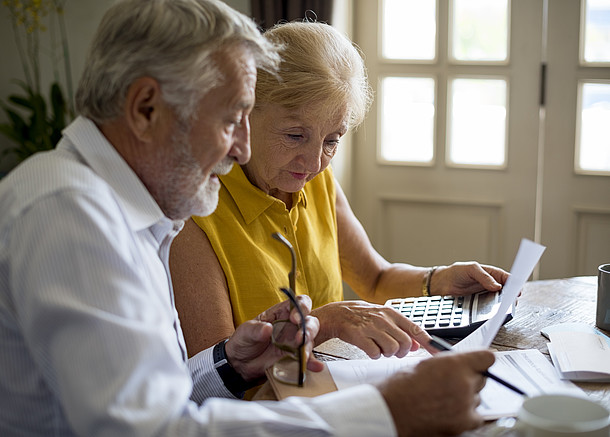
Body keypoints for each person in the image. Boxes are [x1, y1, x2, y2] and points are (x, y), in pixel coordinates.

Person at [0, 1, 495, 436]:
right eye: (230, 119)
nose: (240, 148)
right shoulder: (69, 215)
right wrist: (387, 413)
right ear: (146, 108)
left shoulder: (126, 213)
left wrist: (231, 363)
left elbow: (158, 397)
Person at [170, 21, 510, 360]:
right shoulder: (197, 210)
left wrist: (440, 280)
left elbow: (375, 279)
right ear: (245, 113)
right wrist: (325, 323)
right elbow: (215, 371)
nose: (315, 162)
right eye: (294, 135)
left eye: (332, 140)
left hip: (334, 385)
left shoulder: (316, 180)